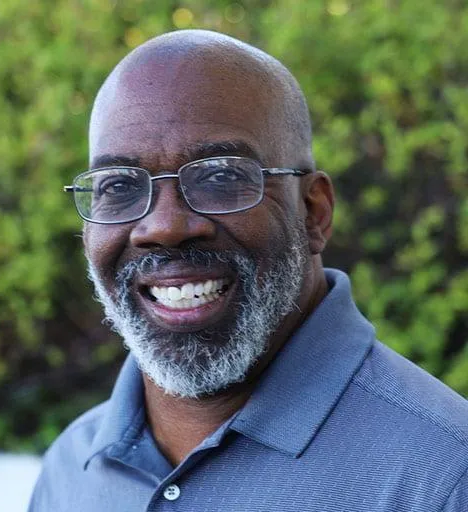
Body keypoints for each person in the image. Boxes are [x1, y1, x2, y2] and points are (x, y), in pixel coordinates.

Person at [29, 30, 468, 511]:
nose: (164, 227)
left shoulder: (443, 474)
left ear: (313, 212)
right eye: (119, 185)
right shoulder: (73, 470)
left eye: (221, 176)